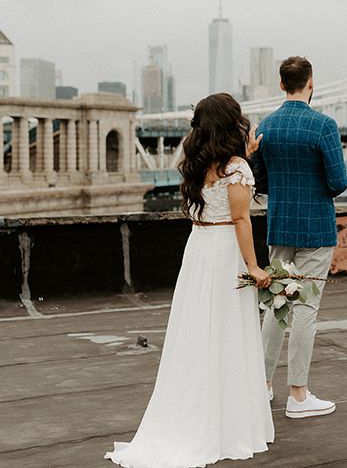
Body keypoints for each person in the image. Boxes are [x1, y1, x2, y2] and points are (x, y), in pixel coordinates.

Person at [105, 93, 275, 467]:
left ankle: (192, 414)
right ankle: (227, 425)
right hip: (225, 251)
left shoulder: (197, 163)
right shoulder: (238, 169)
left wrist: (243, 155)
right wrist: (255, 266)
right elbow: (242, 220)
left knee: (197, 332)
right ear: (234, 124)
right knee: (227, 333)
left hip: (198, 248)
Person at [256, 56, 347, 419]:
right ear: (311, 83)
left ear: (281, 85)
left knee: (275, 307)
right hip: (315, 228)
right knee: (306, 309)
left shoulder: (267, 125)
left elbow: (260, 180)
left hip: (279, 226)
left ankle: (261, 387)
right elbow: (338, 182)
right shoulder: (323, 125)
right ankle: (298, 396)